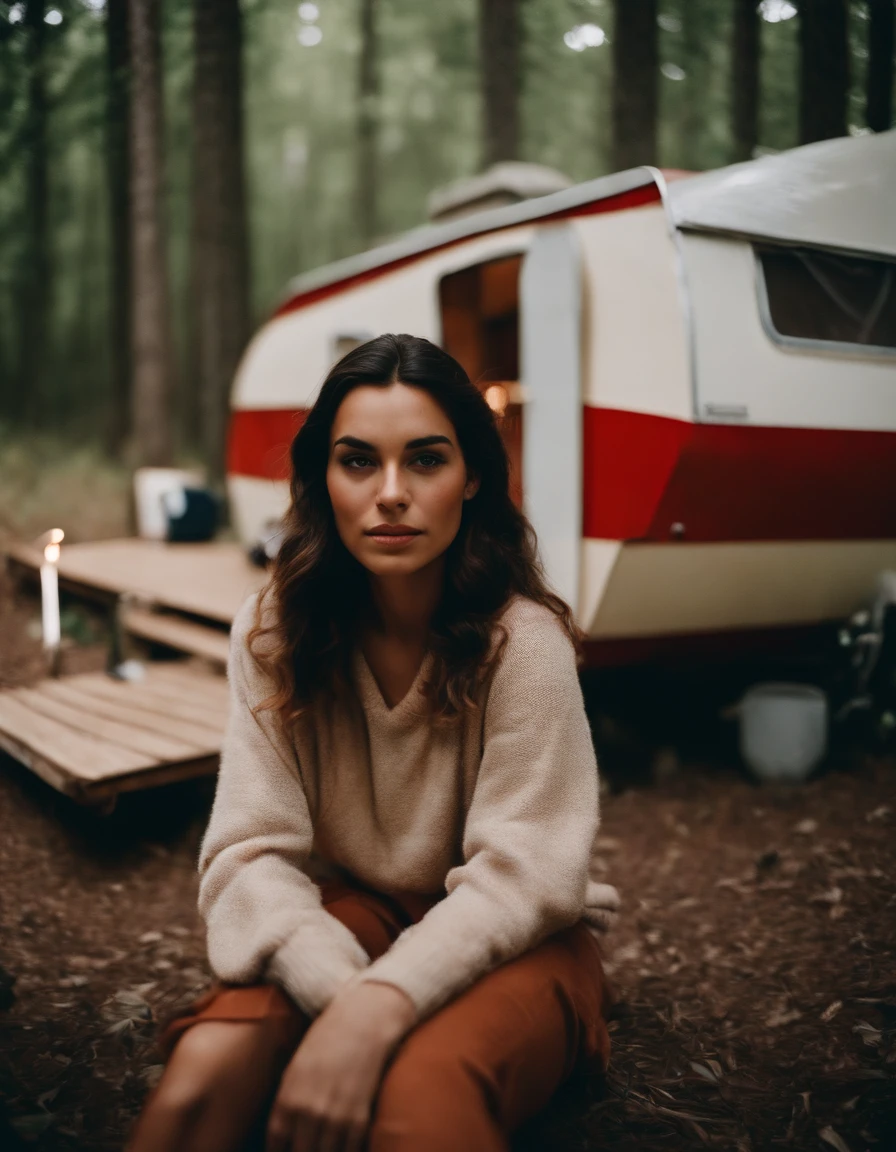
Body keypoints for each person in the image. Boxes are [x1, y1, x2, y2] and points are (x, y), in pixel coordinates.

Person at [126, 333, 620, 1152]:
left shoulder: (522, 643)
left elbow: (526, 875)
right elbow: (249, 853)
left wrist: (380, 1009)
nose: (391, 493)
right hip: (354, 914)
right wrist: (345, 988)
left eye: (426, 460)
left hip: (520, 932)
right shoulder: (272, 632)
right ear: (324, 480)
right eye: (359, 462)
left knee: (415, 1096)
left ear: (473, 481)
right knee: (207, 1069)